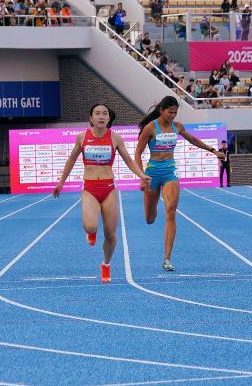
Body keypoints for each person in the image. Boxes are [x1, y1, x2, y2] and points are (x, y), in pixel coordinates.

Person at [52, 103, 151, 283]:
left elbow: (129, 160)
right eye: (97, 113)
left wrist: (142, 175)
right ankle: (91, 232)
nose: (101, 116)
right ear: (91, 118)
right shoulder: (82, 137)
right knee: (90, 227)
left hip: (109, 189)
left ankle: (106, 264)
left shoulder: (115, 138)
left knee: (111, 235)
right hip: (90, 189)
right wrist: (61, 182)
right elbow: (71, 159)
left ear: (108, 118)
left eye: (104, 113)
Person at [134, 96, 225, 271]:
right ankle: (153, 207)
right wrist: (141, 176)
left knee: (171, 211)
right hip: (152, 173)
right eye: (170, 112)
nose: (173, 115)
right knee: (150, 219)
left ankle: (167, 259)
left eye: (175, 113)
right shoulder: (150, 128)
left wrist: (213, 150)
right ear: (162, 110)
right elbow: (138, 153)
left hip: (170, 171)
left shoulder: (178, 126)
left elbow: (193, 140)